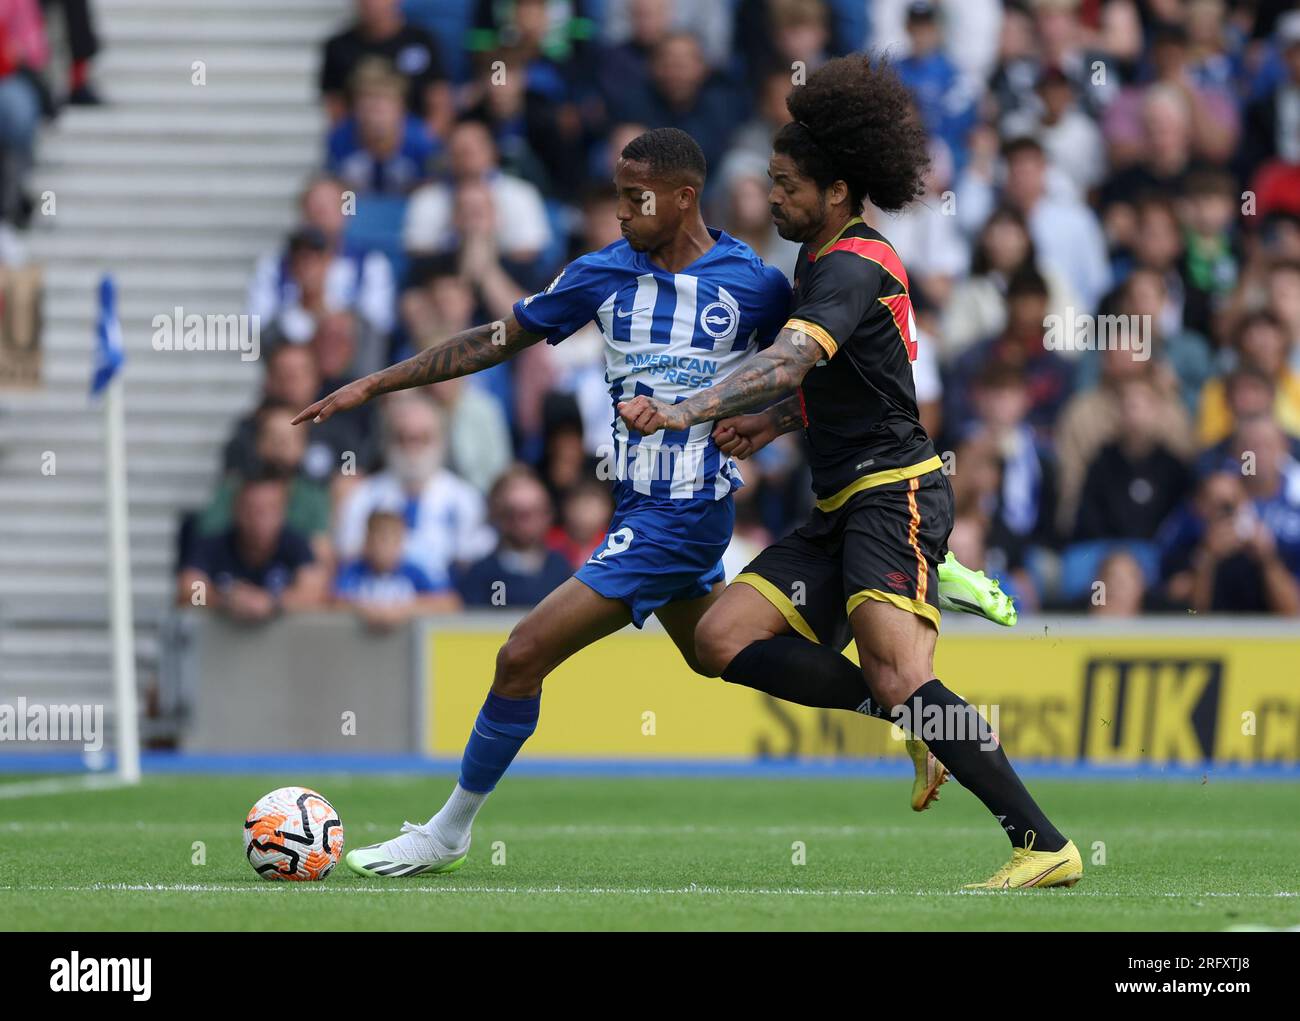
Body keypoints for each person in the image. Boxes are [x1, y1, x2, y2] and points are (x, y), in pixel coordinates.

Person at [293, 127, 1011, 879]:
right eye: (616, 197)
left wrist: (768, 422)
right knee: (718, 652)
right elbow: (499, 337)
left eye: (635, 199)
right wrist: (377, 382)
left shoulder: (757, 284)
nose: (621, 213)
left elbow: (825, 377)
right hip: (636, 506)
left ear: (683, 197)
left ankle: (448, 830)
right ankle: (911, 710)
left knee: (521, 654)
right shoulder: (600, 273)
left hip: (686, 514)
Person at [619, 56, 1079, 889]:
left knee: (906, 672)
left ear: (836, 190)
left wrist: (690, 407)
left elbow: (795, 357)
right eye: (770, 181)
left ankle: (1043, 841)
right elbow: (850, 376)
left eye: (787, 184)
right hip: (841, 502)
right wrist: (774, 420)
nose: (773, 197)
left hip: (893, 492)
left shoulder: (852, 261)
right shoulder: (823, 258)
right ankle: (906, 712)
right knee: (720, 640)